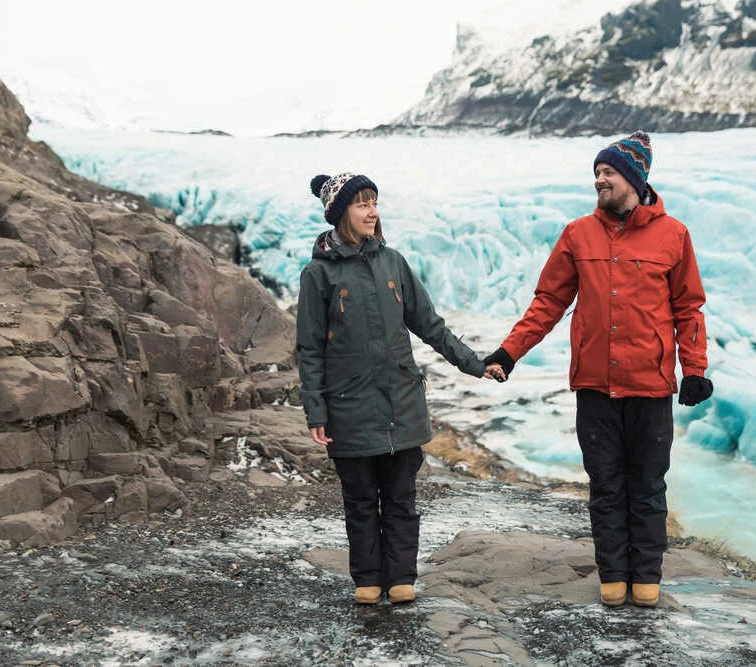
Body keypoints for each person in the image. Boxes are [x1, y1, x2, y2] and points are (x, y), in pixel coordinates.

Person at [483, 132, 713, 608]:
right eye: (596, 172)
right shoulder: (578, 234)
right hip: (595, 386)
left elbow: (689, 308)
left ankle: (646, 579)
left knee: (647, 487)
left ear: (634, 177)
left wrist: (694, 369)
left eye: (607, 172)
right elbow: (548, 301)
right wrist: (509, 353)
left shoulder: (673, 235)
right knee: (606, 486)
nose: (599, 180)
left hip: (650, 386)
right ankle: (613, 577)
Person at [296, 172, 505, 605]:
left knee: (401, 499)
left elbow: (429, 324)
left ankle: (401, 577)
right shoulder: (318, 274)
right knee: (359, 501)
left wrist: (475, 364)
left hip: (402, 402)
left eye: (374, 203)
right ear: (340, 214)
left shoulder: (393, 263)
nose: (372, 212)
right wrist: (316, 410)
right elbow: (310, 348)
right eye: (362, 204)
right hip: (349, 406)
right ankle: (368, 579)